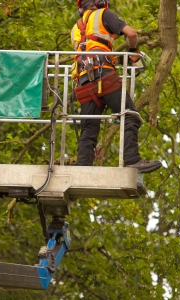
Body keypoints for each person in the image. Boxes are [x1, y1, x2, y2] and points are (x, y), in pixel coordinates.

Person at [71, 0, 162, 173]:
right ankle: (132, 159)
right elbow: (131, 34)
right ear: (99, 2)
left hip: (83, 81)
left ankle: (82, 167)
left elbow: (90, 48)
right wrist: (132, 51)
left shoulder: (75, 28)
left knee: (89, 127)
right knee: (130, 115)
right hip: (102, 75)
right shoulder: (104, 14)